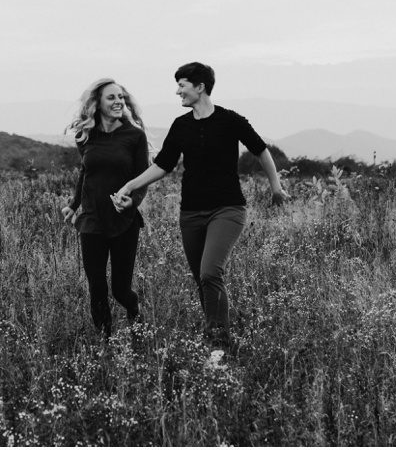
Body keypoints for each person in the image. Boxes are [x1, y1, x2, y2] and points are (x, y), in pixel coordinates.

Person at [112, 62, 288, 346]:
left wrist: (276, 187)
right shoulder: (181, 126)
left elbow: (261, 150)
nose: (177, 91)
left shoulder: (231, 120)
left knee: (210, 273)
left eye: (182, 85)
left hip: (227, 209)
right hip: (191, 213)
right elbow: (162, 165)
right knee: (202, 281)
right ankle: (216, 333)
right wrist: (130, 186)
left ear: (200, 87)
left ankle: (219, 345)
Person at [61, 78, 152, 336]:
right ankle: (106, 341)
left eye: (121, 97)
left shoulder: (134, 135)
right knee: (97, 287)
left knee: (120, 289)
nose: (118, 102)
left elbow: (142, 177)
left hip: (124, 221)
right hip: (92, 220)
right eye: (111, 97)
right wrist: (73, 205)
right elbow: (85, 172)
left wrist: (132, 202)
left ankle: (134, 310)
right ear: (97, 103)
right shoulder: (86, 134)